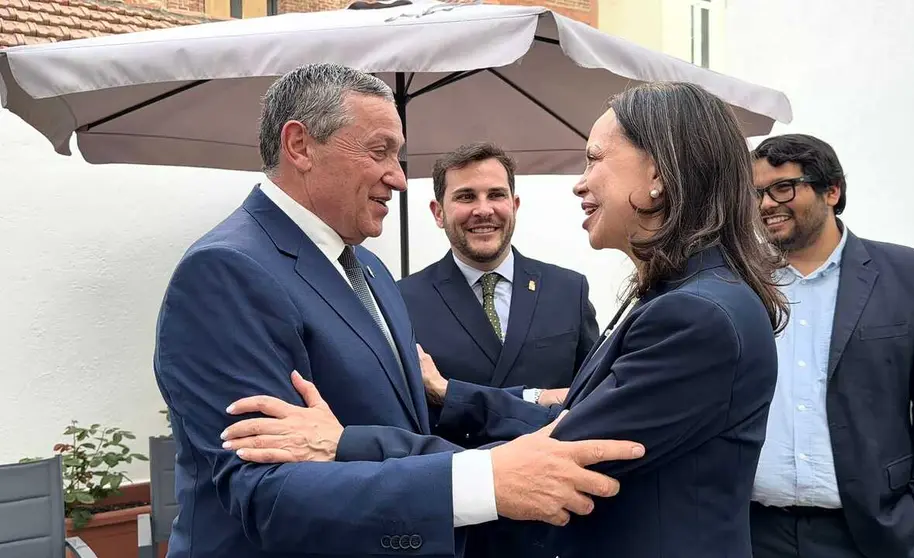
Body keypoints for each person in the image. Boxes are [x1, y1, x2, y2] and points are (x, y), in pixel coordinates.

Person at [222, 81, 789, 558]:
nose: (579, 181)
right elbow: (571, 421)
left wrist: (345, 442)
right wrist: (453, 396)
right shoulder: (683, 297)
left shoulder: (696, 314)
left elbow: (556, 455)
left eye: (594, 158)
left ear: (660, 172)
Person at [152, 63, 646, 558]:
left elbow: (412, 423)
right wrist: (484, 482)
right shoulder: (224, 271)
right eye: (379, 150)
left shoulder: (367, 268)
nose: (399, 178)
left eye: (399, 155)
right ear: (300, 146)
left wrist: (534, 413)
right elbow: (264, 493)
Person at [747, 133, 914, 558]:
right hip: (753, 532)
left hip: (872, 534)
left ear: (832, 190)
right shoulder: (740, 282)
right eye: (757, 194)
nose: (766, 205)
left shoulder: (908, 275)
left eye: (783, 188)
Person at [398, 141, 599, 445]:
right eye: (466, 197)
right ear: (438, 213)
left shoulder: (569, 290)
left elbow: (593, 395)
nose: (483, 210)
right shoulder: (401, 301)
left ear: (514, 206)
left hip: (557, 475)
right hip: (457, 479)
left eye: (496, 195)